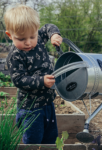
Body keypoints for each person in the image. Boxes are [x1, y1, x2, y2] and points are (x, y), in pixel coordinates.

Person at [4, 4, 62, 144]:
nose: (28, 42)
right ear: (10, 35)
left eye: (32, 36)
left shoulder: (40, 38)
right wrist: (41, 81)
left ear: (36, 31)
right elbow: (19, 79)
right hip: (31, 108)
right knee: (33, 141)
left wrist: (54, 34)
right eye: (21, 39)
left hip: (48, 103)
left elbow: (48, 26)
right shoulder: (15, 56)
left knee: (50, 138)